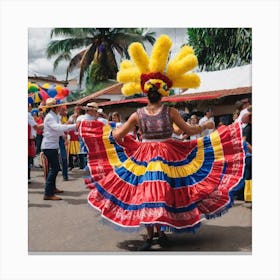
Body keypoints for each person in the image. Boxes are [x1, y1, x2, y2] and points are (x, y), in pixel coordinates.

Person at [79, 34, 246, 251]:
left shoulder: (137, 114)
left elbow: (118, 137)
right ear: (164, 92)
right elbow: (188, 130)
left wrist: (113, 133)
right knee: (167, 192)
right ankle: (161, 233)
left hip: (144, 155)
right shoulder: (171, 111)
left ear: (145, 92)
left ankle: (151, 237)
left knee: (148, 193)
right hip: (169, 153)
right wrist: (205, 127)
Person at [41, 98, 77, 200]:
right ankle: (48, 193)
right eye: (58, 106)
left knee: (54, 168)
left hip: (52, 145)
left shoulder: (55, 116)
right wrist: (74, 126)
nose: (60, 108)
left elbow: (58, 129)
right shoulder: (49, 117)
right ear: (54, 108)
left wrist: (63, 135)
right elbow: (57, 127)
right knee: (55, 169)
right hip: (49, 146)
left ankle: (52, 188)